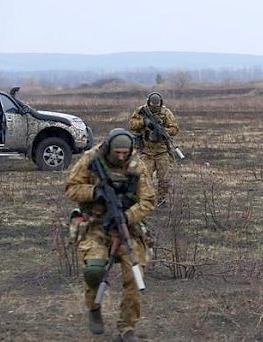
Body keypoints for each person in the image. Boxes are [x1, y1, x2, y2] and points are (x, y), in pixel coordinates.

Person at [65, 128, 156, 342]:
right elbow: (71, 188)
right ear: (108, 149)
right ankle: (94, 307)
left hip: (127, 227)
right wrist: (94, 192)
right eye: (118, 153)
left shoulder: (137, 166)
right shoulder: (91, 159)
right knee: (95, 271)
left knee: (135, 277)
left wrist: (127, 216)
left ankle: (127, 328)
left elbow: (148, 200)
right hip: (95, 225)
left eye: (126, 152)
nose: (122, 157)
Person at [128, 92, 180, 205]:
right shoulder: (141, 111)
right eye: (152, 105)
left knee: (164, 179)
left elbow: (175, 128)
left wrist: (164, 131)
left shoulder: (166, 113)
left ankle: (162, 201)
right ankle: (145, 200)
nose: (154, 108)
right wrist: (144, 122)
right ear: (148, 103)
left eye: (157, 106)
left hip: (162, 151)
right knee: (144, 178)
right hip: (146, 151)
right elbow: (131, 125)